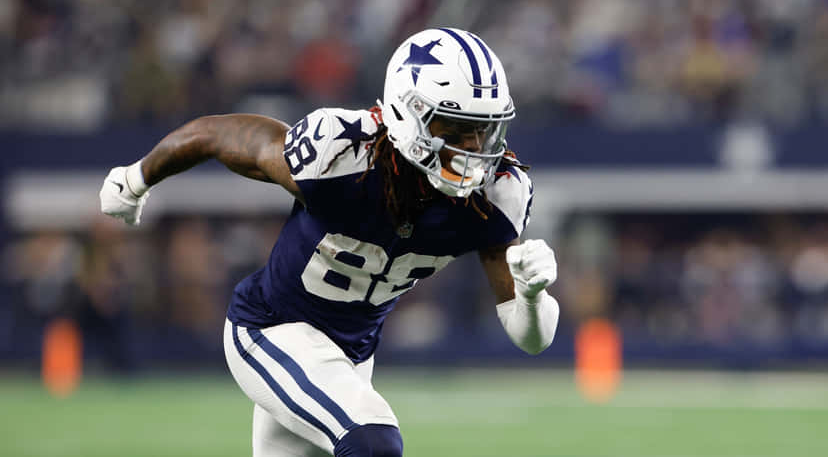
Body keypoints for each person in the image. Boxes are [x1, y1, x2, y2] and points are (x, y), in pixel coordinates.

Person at [99, 28, 559, 457]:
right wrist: (137, 177)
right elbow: (218, 136)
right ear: (409, 114)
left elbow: (531, 339)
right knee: (373, 440)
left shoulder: (495, 195)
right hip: (271, 330)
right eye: (455, 128)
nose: (475, 147)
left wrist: (533, 296)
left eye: (484, 129)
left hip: (350, 357)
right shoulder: (342, 153)